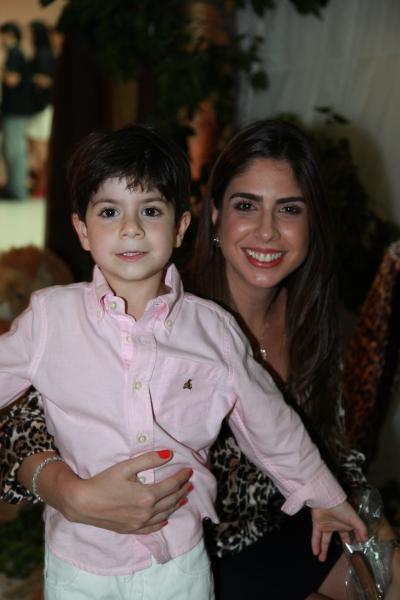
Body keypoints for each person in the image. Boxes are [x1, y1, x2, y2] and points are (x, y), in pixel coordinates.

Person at [0, 123, 367, 600]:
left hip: (180, 560)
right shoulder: (52, 318)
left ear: (180, 227)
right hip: (81, 559)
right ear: (82, 230)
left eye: (150, 211)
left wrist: (324, 494)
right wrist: (62, 488)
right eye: (110, 211)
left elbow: (270, 422)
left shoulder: (214, 330)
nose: (131, 228)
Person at [0, 22, 33, 199]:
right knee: (12, 150)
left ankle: (18, 190)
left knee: (15, 151)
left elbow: (12, 80)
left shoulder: (14, 53)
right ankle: (14, 188)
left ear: (9, 34)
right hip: (15, 110)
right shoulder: (16, 53)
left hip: (16, 110)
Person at [26, 20, 56, 197]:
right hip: (42, 106)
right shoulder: (46, 53)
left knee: (40, 147)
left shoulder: (43, 54)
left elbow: (45, 80)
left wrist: (28, 78)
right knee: (37, 146)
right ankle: (42, 184)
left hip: (42, 107)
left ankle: (44, 186)